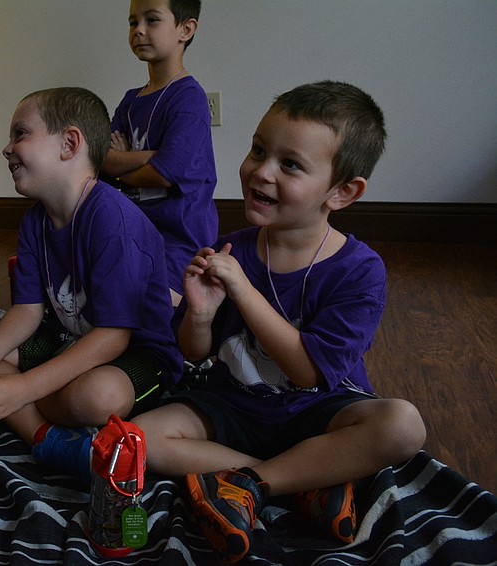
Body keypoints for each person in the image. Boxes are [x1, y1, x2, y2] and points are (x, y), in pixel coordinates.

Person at [131, 81, 426, 563]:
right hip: (235, 406)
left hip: (319, 413)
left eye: (290, 165)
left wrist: (243, 291)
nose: (260, 172)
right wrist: (201, 315)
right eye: (258, 150)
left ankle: (256, 483)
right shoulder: (233, 248)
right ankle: (300, 481)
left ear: (342, 191)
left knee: (402, 426)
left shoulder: (360, 270)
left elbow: (308, 372)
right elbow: (192, 352)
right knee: (144, 437)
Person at [0, 87, 182, 480]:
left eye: (20, 134)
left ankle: (20, 408)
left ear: (69, 143)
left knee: (97, 398)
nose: (7, 148)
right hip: (65, 339)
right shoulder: (36, 219)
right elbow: (27, 310)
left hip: (134, 353)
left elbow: (114, 337)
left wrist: (22, 388)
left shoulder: (113, 220)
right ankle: (46, 436)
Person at [101, 0, 218, 306]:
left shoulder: (189, 98)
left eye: (152, 20)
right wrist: (150, 155)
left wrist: (124, 166)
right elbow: (101, 159)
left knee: (155, 312)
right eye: (132, 22)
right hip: (130, 231)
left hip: (178, 240)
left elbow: (165, 173)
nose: (138, 30)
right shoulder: (130, 101)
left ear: (186, 29)